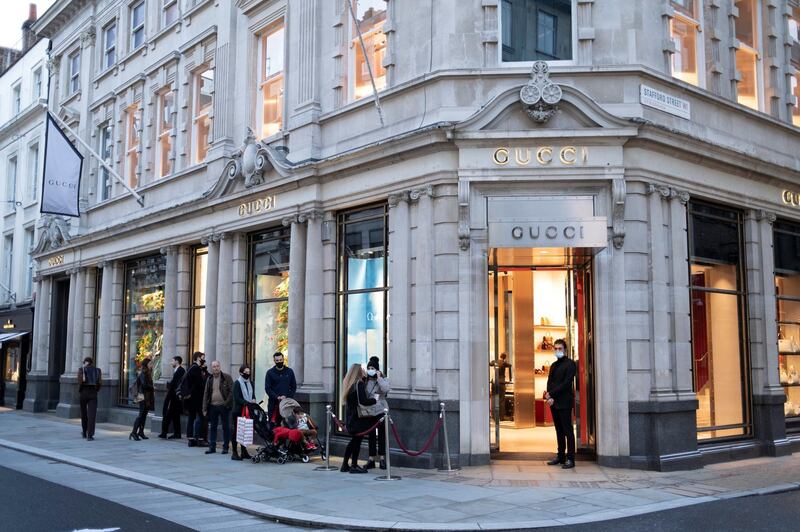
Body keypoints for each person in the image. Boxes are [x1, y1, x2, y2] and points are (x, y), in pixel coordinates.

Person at [545, 339, 577, 469]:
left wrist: (551, 394)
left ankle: (570, 458)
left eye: (560, 349)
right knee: (558, 430)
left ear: (565, 350)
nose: (557, 351)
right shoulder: (553, 365)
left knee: (567, 430)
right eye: (556, 348)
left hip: (564, 402)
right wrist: (549, 397)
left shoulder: (570, 364)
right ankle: (560, 456)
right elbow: (549, 381)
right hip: (554, 402)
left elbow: (566, 384)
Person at [340, 363, 377, 474]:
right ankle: (354, 465)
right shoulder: (359, 384)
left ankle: (345, 464)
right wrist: (375, 400)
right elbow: (363, 401)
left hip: (350, 417)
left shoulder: (349, 383)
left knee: (353, 441)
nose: (364, 371)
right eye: (362, 369)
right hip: (358, 418)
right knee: (357, 441)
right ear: (358, 371)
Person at [364, 356, 390, 470]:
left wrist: (379, 378)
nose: (370, 369)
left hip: (381, 410)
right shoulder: (365, 381)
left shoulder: (383, 379)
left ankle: (382, 458)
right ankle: (371, 459)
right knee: (371, 435)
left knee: (382, 434)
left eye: (372, 368)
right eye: (369, 367)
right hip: (369, 409)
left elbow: (385, 389)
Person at [202, 360, 233, 455]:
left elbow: (232, 392)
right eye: (214, 366)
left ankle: (225, 447)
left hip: (223, 406)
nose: (216, 368)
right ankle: (212, 447)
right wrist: (204, 408)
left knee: (226, 427)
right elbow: (206, 393)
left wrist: (226, 403)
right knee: (213, 427)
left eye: (217, 366)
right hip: (212, 406)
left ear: (220, 367)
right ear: (212, 368)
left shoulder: (226, 377)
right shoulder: (210, 378)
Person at [231, 363, 256, 461]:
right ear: (241, 373)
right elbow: (237, 398)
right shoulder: (237, 383)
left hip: (247, 410)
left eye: (249, 372)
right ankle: (234, 452)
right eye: (246, 372)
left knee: (244, 431)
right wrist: (247, 403)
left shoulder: (251, 383)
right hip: (238, 411)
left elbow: (253, 394)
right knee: (237, 432)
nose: (247, 374)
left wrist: (253, 399)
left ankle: (244, 451)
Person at [264, 352, 296, 423]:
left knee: (287, 425)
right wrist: (277, 397)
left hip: (287, 404)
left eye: (280, 360)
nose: (279, 362)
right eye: (277, 360)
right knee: (273, 425)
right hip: (273, 404)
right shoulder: (270, 373)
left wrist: (287, 396)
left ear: (283, 359)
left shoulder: (289, 372)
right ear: (274, 361)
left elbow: (293, 387)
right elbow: (267, 388)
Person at [159, 356, 185, 439]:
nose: (171, 362)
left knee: (168, 414)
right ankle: (177, 433)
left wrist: (169, 385)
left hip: (175, 397)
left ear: (177, 361)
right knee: (175, 415)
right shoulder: (177, 370)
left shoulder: (181, 370)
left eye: (172, 361)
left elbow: (176, 383)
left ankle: (164, 432)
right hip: (174, 396)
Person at [184, 352, 206, 447]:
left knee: (191, 417)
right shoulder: (196, 369)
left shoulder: (191, 368)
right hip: (196, 398)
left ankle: (191, 438)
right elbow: (199, 384)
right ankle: (200, 439)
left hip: (191, 398)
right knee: (201, 417)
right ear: (197, 358)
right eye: (202, 358)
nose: (204, 360)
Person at [130, 358, 154, 441]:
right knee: (141, 415)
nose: (152, 365)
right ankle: (133, 432)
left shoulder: (148, 372)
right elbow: (144, 385)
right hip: (142, 396)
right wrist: (153, 387)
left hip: (146, 396)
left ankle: (141, 432)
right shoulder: (144, 373)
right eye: (150, 363)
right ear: (146, 364)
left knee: (144, 415)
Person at [77, 357, 101, 441]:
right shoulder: (97, 370)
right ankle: (90, 435)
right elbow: (99, 383)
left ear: (85, 362)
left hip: (83, 393)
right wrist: (96, 390)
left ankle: (84, 432)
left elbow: (79, 382)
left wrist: (80, 390)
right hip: (93, 393)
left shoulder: (81, 369)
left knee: (83, 413)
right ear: (91, 362)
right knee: (92, 415)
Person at [490, 353, 513, 420]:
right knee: (501, 400)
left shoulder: (495, 361)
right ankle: (501, 417)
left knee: (494, 399)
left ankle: (494, 416)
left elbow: (490, 363)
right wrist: (504, 362)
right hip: (501, 383)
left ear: (500, 356)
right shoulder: (504, 363)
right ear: (504, 357)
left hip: (494, 382)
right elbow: (510, 365)